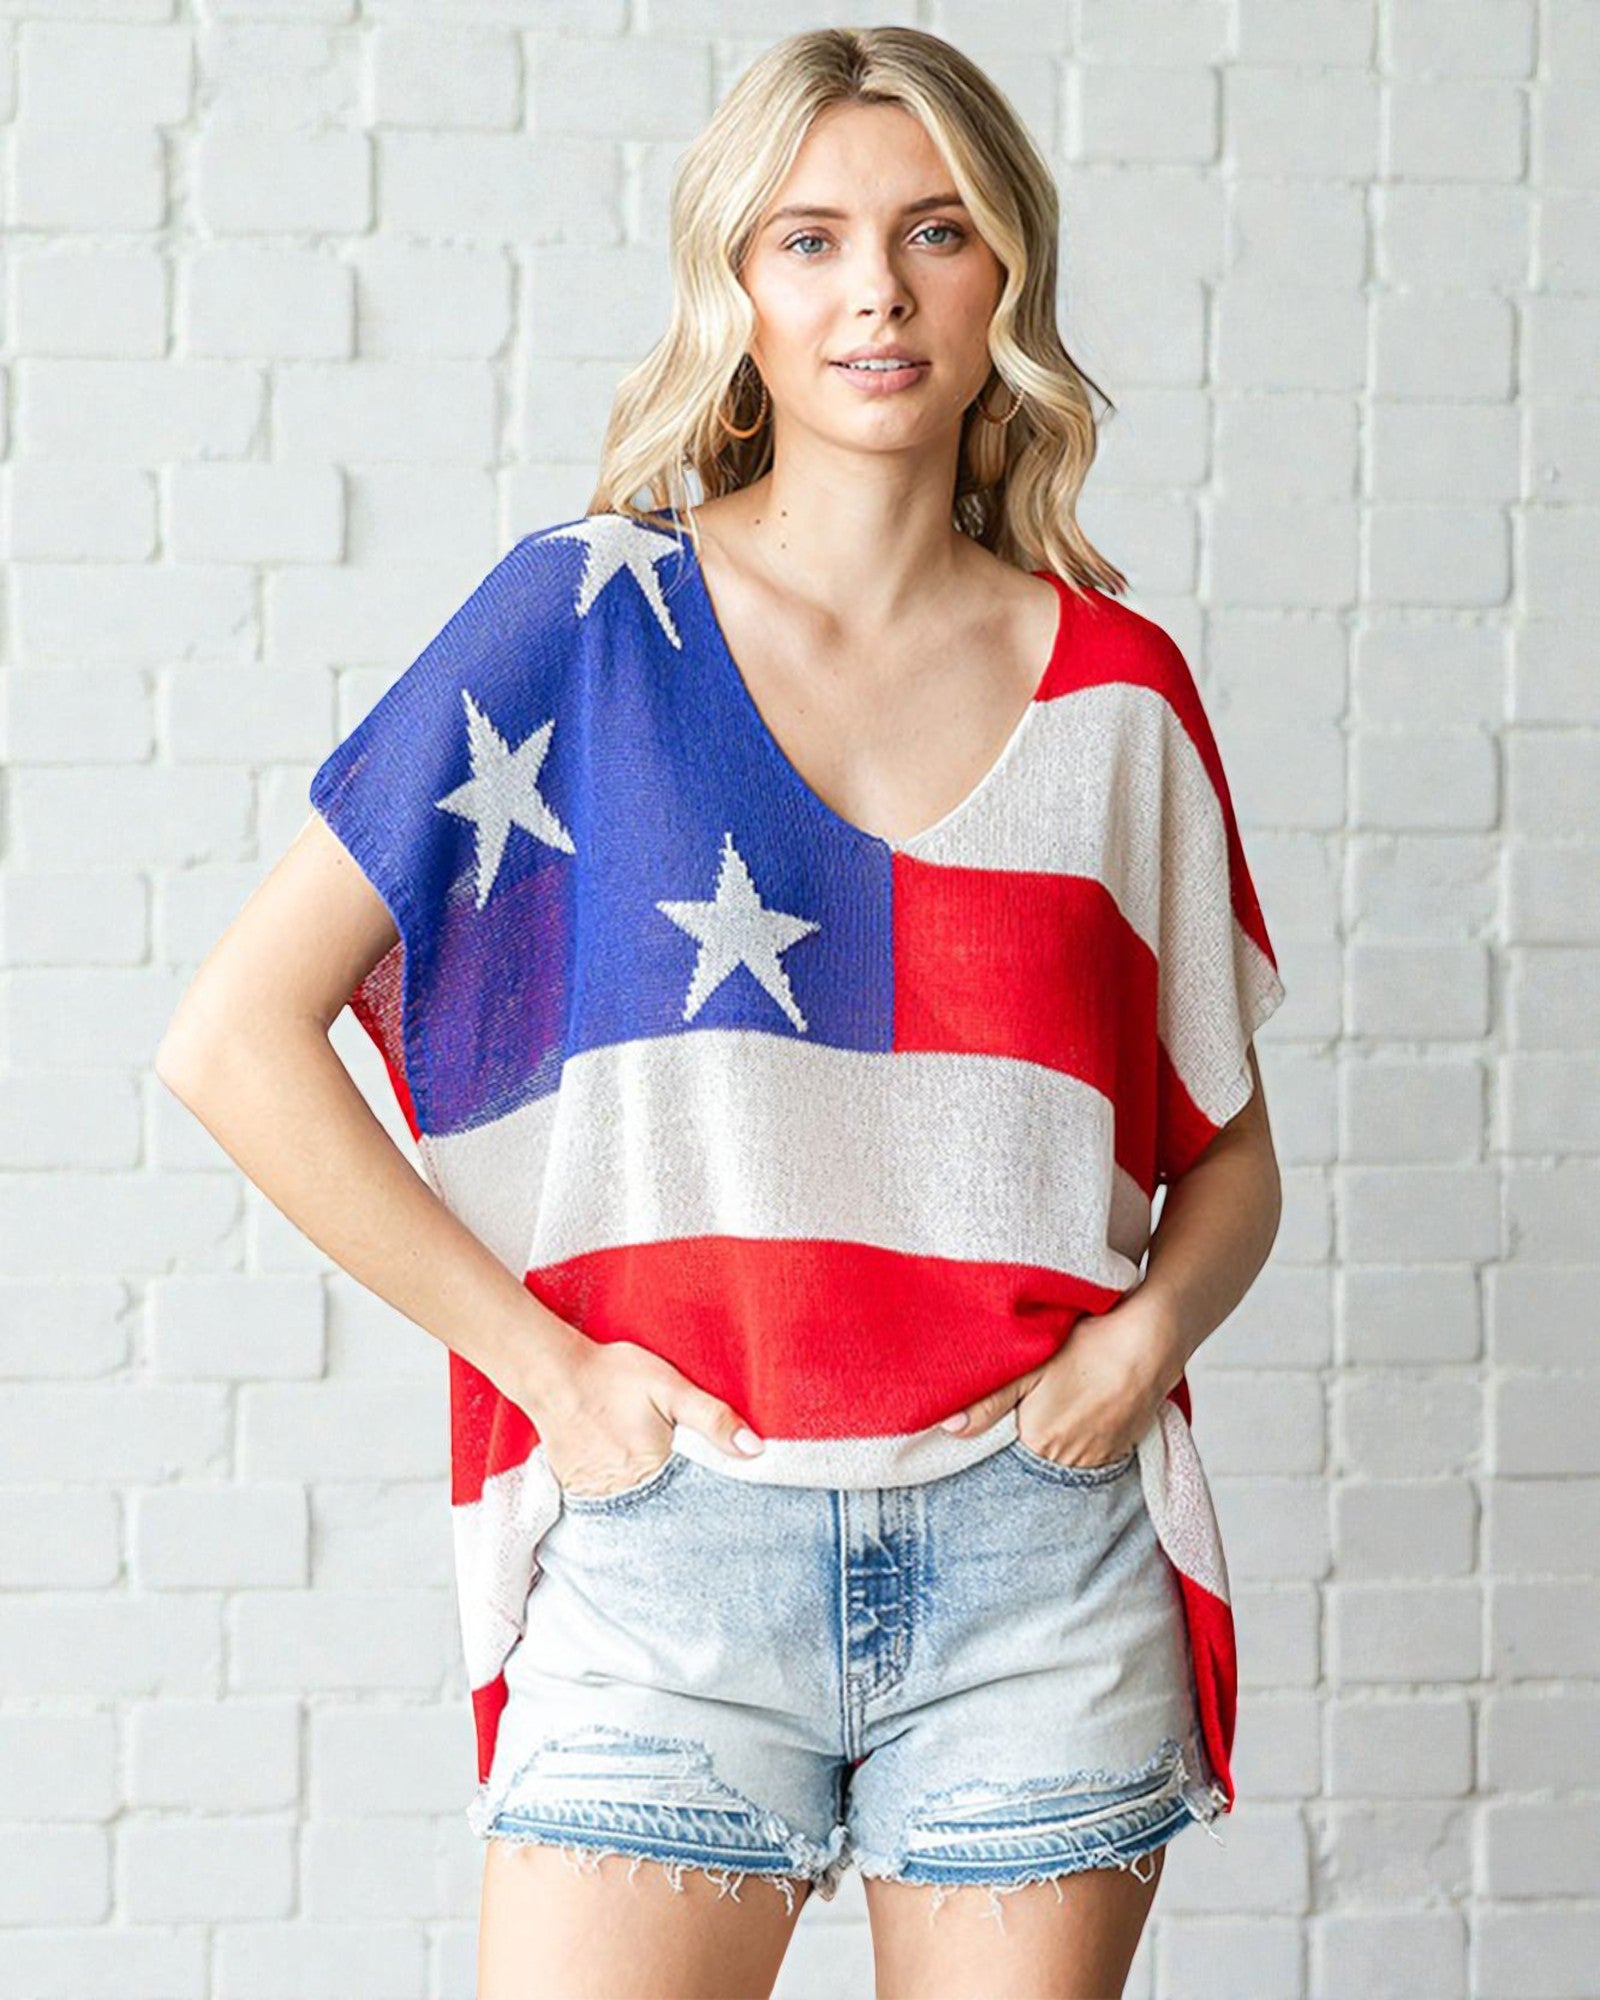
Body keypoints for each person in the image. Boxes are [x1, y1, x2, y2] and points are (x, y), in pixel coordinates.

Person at [156, 25, 1288, 2000]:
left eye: (930, 233)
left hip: (1036, 1563)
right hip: (670, 1555)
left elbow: (1231, 1162)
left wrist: (1138, 1351)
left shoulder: (1119, 691)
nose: (873, 291)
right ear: (733, 291)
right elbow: (235, 1040)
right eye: (809, 239)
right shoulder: (587, 620)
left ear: (1000, 273)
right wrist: (549, 1370)